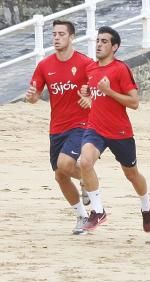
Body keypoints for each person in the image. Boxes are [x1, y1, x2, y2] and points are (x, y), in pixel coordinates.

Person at [79, 26, 150, 233]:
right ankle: (97, 211)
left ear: (115, 47)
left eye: (104, 41)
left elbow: (134, 102)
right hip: (95, 128)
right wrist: (87, 92)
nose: (99, 44)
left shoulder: (120, 69)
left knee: (131, 174)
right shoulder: (91, 69)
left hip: (120, 132)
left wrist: (108, 91)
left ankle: (146, 206)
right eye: (98, 40)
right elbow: (92, 92)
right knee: (84, 161)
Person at [25, 20, 93, 234]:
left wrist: (90, 98)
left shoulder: (85, 63)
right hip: (56, 127)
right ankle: (82, 216)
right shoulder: (45, 65)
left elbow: (99, 88)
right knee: (60, 175)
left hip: (82, 124)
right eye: (54, 34)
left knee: (65, 164)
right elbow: (34, 96)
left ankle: (87, 179)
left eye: (61, 34)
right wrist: (32, 97)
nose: (56, 38)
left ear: (72, 37)